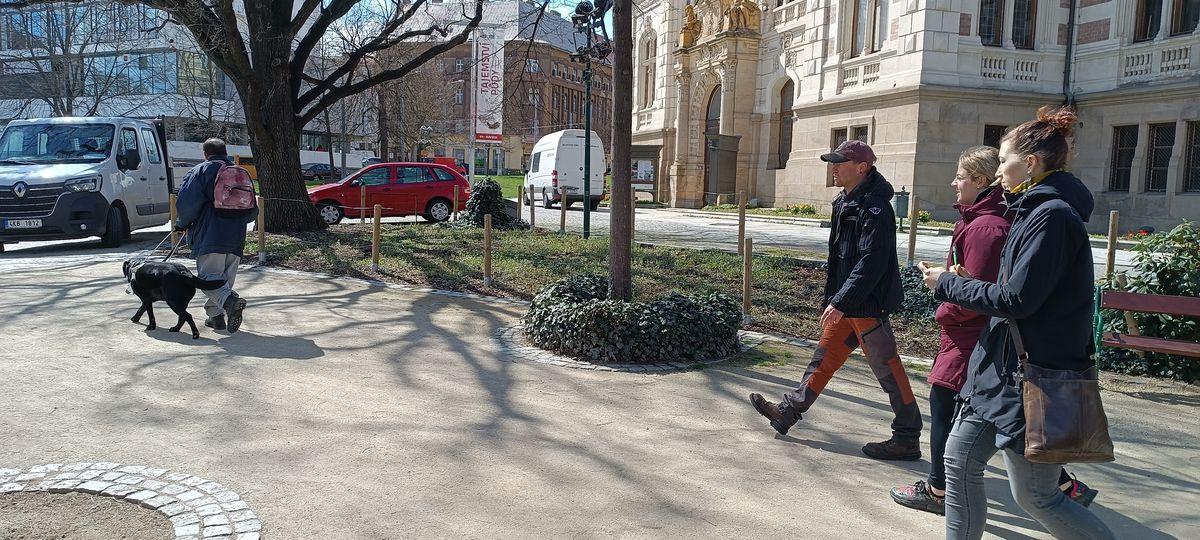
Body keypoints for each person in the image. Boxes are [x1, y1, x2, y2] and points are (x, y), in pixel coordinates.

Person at [919, 107, 1114, 539]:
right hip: (1000, 373)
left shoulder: (1052, 216)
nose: (997, 171)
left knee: (1036, 496)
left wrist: (949, 284)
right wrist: (967, 284)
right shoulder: (1029, 210)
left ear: (1030, 163)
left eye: (1003, 160)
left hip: (1032, 378)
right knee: (959, 460)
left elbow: (1018, 301)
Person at [891, 146, 1097, 515]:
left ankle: (940, 492)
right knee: (984, 443)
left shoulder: (1013, 222)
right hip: (983, 342)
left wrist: (946, 289)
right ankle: (1061, 484)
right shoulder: (1004, 218)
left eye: (961, 176)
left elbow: (1005, 297)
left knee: (1023, 469)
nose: (953, 183)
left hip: (976, 340)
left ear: (1029, 163)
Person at [749, 140, 922, 460]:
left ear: (862, 168)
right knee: (822, 360)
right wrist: (836, 300)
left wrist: (840, 301)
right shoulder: (844, 202)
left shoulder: (876, 207)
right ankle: (786, 413)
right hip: (846, 305)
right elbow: (840, 259)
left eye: (840, 163)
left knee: (888, 369)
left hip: (866, 305)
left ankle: (908, 437)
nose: (833, 167)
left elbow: (873, 261)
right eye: (833, 162)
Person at [174, 138, 255, 334]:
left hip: (210, 233)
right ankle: (216, 317)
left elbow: (187, 204)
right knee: (225, 280)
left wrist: (181, 224)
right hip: (236, 235)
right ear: (225, 152)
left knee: (208, 278)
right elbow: (252, 210)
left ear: (205, 154)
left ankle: (230, 302)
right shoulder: (239, 173)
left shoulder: (200, 171)